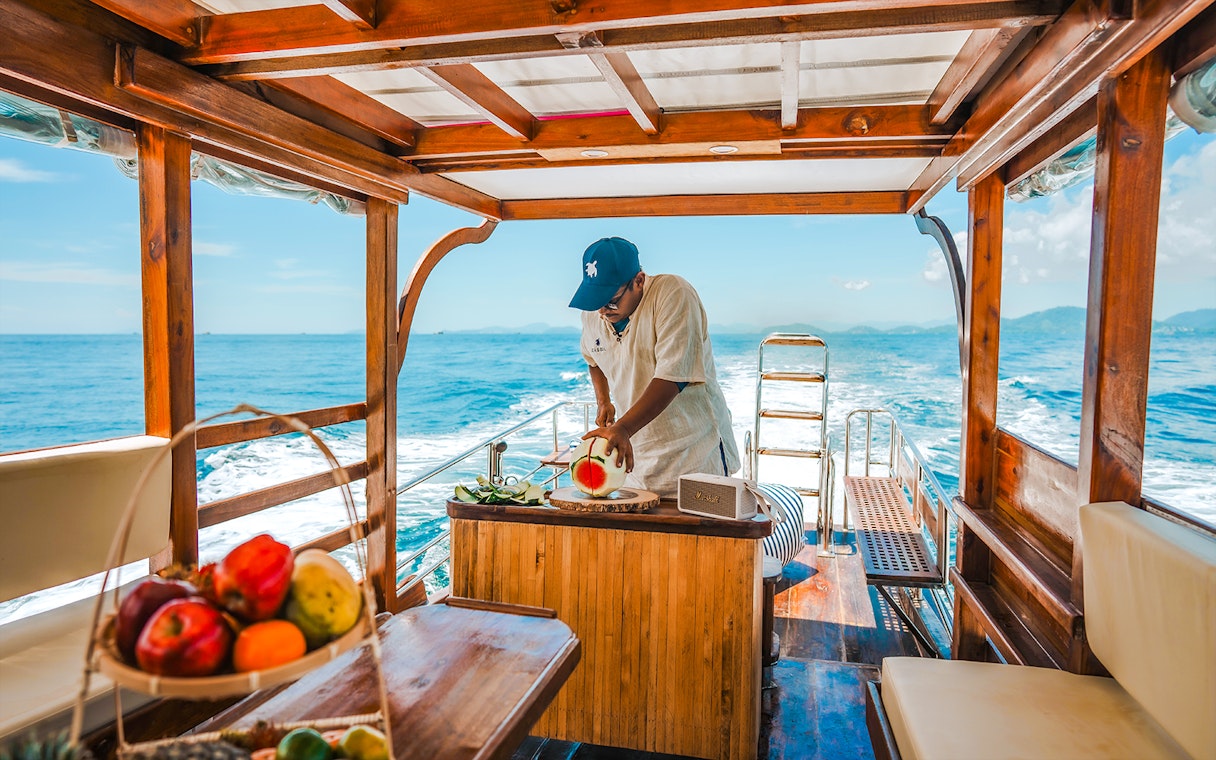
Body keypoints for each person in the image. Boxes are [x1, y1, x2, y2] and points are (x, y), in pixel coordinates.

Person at [569, 237, 740, 499]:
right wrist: (604, 402)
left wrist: (623, 429)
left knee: (700, 538)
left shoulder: (673, 293)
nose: (603, 310)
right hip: (636, 456)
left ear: (639, 281)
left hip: (695, 455)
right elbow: (593, 359)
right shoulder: (594, 314)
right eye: (596, 301)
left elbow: (673, 377)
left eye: (611, 300)